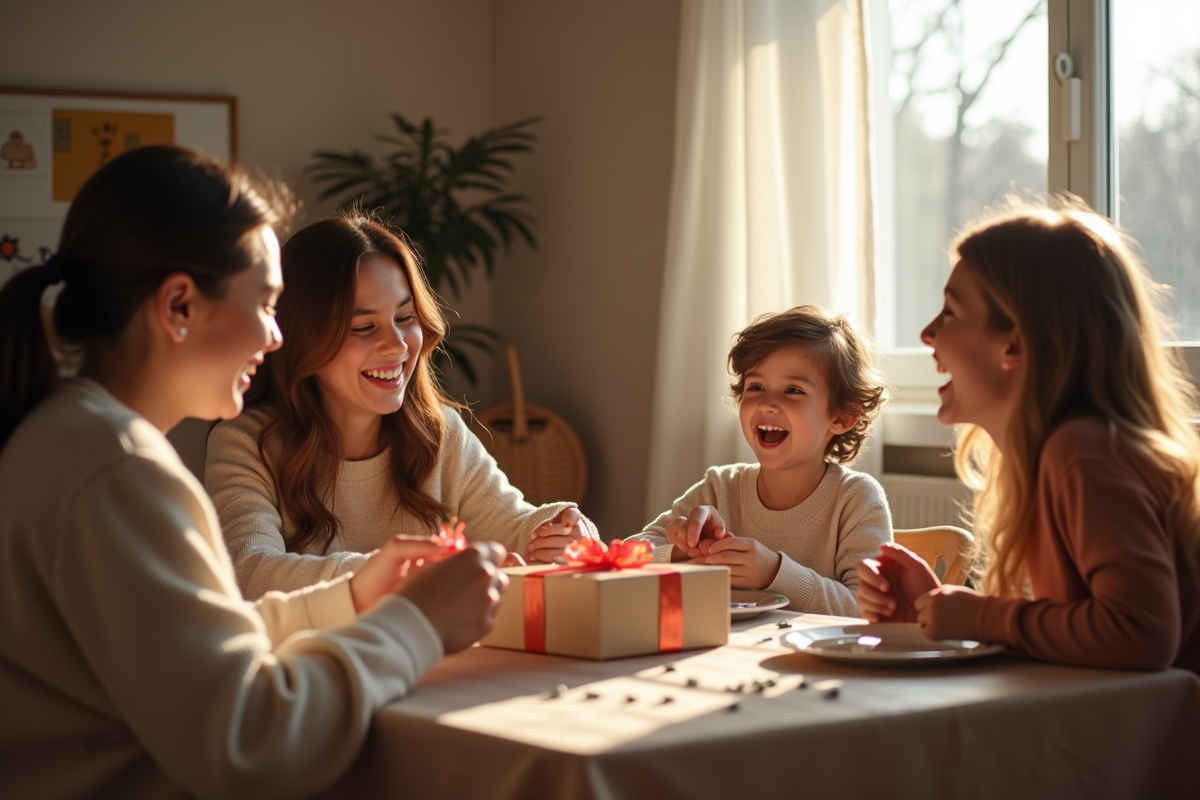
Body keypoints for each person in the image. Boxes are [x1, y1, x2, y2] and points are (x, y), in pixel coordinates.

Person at [0, 145, 509, 799]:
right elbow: (247, 740)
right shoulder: (117, 471)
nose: (277, 336)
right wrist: (416, 622)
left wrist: (355, 596)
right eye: (267, 304)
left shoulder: (71, 438)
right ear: (179, 306)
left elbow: (198, 648)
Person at [857, 196, 1200, 673]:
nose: (927, 334)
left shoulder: (1082, 452)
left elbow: (1141, 634)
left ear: (1014, 343)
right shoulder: (1057, 454)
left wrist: (980, 616)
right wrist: (934, 611)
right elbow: (1078, 635)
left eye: (950, 312)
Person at [204, 212, 597, 602]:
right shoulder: (246, 442)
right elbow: (249, 574)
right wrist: (409, 571)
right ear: (303, 339)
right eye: (364, 327)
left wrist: (564, 531)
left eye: (405, 317)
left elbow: (518, 527)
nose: (396, 346)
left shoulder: (440, 433)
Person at [629, 305, 892, 616]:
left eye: (793, 390)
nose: (767, 403)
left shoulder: (857, 499)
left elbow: (868, 609)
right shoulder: (720, 487)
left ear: (842, 416)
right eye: (756, 387)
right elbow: (628, 553)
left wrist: (776, 573)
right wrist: (679, 551)